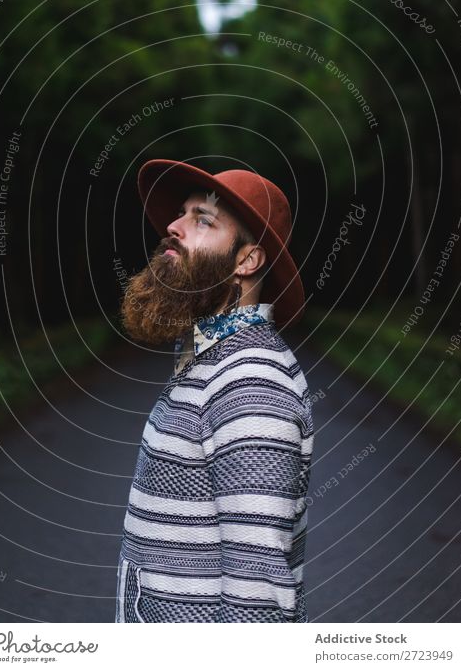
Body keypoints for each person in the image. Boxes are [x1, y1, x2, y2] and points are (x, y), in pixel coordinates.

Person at [115, 159, 314, 623]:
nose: (173, 226)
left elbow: (258, 593)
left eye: (202, 219)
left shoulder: (251, 382)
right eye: (182, 213)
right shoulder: (212, 359)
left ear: (246, 260)